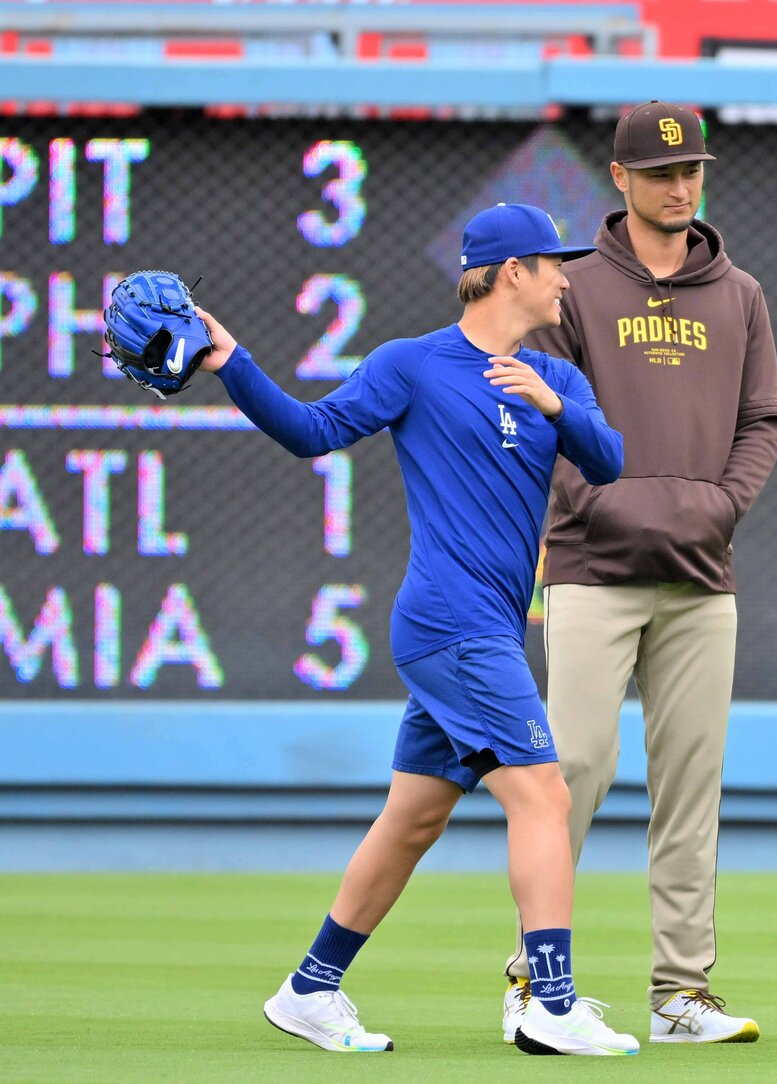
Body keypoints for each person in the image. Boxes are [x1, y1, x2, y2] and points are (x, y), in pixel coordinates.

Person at [198, 203, 640, 1056]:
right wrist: (233, 364)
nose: (566, 276)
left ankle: (309, 990)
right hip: (451, 623)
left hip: (486, 632)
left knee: (413, 820)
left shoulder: (561, 376)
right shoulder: (412, 364)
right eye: (554, 263)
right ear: (512, 272)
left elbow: (609, 460)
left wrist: (553, 403)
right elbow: (310, 431)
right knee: (543, 794)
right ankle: (551, 1003)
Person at [499, 101, 777, 1046]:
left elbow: (762, 423)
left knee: (690, 788)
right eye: (661, 172)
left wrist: (719, 506)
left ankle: (681, 996)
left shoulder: (739, 293)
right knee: (569, 772)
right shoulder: (570, 288)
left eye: (692, 170)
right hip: (591, 567)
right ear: (618, 180)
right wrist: (616, 502)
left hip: (702, 576)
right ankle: (533, 984)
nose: (680, 185)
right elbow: (544, 418)